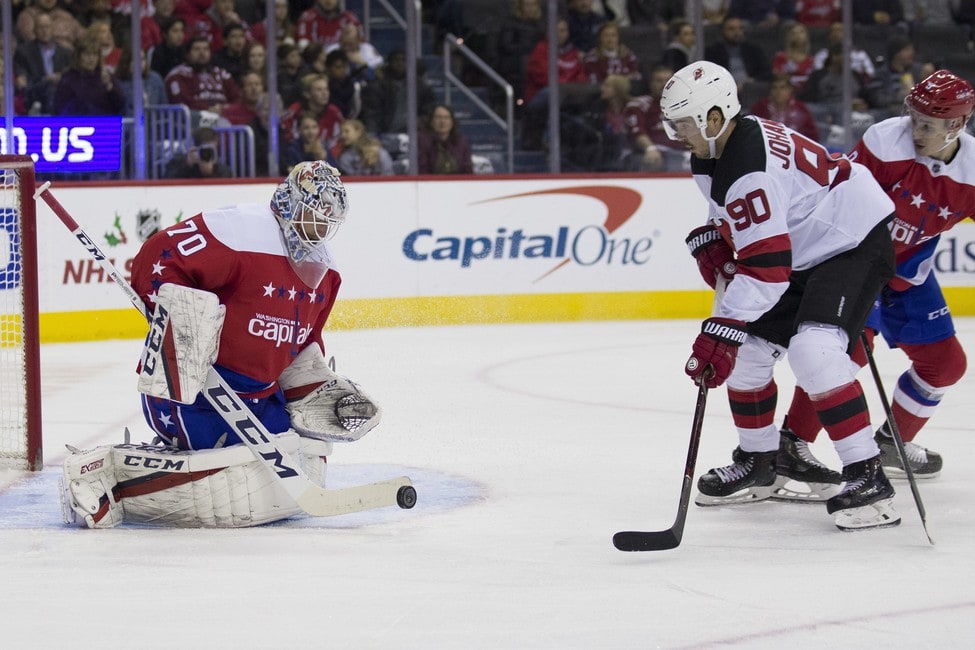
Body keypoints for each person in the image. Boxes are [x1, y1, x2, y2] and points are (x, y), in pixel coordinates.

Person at [61, 161, 382, 528]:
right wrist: (181, 324)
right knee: (230, 472)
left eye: (329, 221)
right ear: (292, 202)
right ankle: (103, 475)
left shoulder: (327, 273)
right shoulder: (239, 229)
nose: (321, 228)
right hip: (193, 392)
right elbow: (156, 256)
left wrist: (313, 387)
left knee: (296, 458)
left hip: (261, 399)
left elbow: (303, 345)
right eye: (314, 215)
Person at [661, 61, 901, 530]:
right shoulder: (713, 150)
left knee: (814, 350)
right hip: (805, 246)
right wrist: (714, 236)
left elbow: (767, 273)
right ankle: (760, 463)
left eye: (682, 123)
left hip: (851, 241)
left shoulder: (748, 168)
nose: (676, 134)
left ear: (713, 117)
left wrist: (721, 329)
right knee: (749, 352)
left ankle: (867, 473)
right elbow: (746, 226)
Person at [778, 69, 975, 481]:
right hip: (858, 260)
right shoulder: (887, 141)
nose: (915, 129)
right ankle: (790, 445)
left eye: (927, 124)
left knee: (946, 364)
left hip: (908, 271)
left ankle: (892, 442)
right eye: (914, 117)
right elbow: (841, 198)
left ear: (955, 125)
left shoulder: (971, 172)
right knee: (841, 356)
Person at [164, 35, 241, 120]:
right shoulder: (178, 75)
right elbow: (182, 103)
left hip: (224, 116)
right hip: (195, 121)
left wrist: (224, 108)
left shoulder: (221, 73)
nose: (202, 53)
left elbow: (237, 98)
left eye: (206, 49)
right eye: (197, 49)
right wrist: (207, 110)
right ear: (188, 54)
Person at [13, 11, 73, 115]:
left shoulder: (66, 53)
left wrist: (61, 77)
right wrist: (45, 79)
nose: (44, 31)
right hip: (35, 95)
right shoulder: (23, 52)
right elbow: (24, 79)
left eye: (47, 27)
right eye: (40, 27)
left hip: (61, 94)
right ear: (34, 30)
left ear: (53, 29)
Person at [53, 35, 126, 116]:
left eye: (95, 55)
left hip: (104, 125)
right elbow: (59, 108)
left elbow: (120, 105)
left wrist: (109, 87)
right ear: (79, 56)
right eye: (87, 54)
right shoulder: (68, 78)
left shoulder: (105, 76)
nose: (91, 59)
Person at [703, 15, 773, 89]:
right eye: (731, 29)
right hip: (724, 89)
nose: (737, 32)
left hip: (749, 88)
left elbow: (766, 72)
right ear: (722, 31)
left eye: (740, 28)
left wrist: (752, 80)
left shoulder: (753, 49)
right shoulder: (713, 52)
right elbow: (709, 76)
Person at [748, 74, 819, 141]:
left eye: (783, 88)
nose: (778, 92)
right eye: (775, 88)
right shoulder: (759, 108)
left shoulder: (801, 109)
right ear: (770, 90)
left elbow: (813, 136)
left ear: (790, 90)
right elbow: (751, 132)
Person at [417, 104, 474, 175]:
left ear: (452, 122)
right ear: (431, 122)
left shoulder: (462, 142)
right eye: (438, 117)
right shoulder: (423, 141)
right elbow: (422, 171)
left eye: (446, 118)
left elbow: (468, 171)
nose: (442, 121)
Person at [582, 21, 643, 85]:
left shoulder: (628, 55)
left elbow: (637, 76)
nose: (610, 39)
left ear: (618, 38)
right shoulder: (592, 58)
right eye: (606, 36)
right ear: (600, 38)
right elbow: (593, 82)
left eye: (613, 35)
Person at [163, 127, 233, 179]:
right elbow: (167, 183)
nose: (206, 153)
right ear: (195, 147)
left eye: (210, 150)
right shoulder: (178, 162)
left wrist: (210, 173)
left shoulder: (222, 169)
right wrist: (187, 165)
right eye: (203, 150)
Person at [297, 0, 363, 51]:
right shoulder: (307, 18)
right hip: (315, 64)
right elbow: (302, 44)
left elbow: (362, 44)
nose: (328, 0)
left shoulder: (349, 19)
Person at [771, 21, 815, 93]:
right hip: (785, 93)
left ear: (806, 36)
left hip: (807, 93)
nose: (798, 35)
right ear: (789, 37)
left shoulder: (812, 60)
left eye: (801, 32)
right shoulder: (780, 57)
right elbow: (777, 76)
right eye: (794, 33)